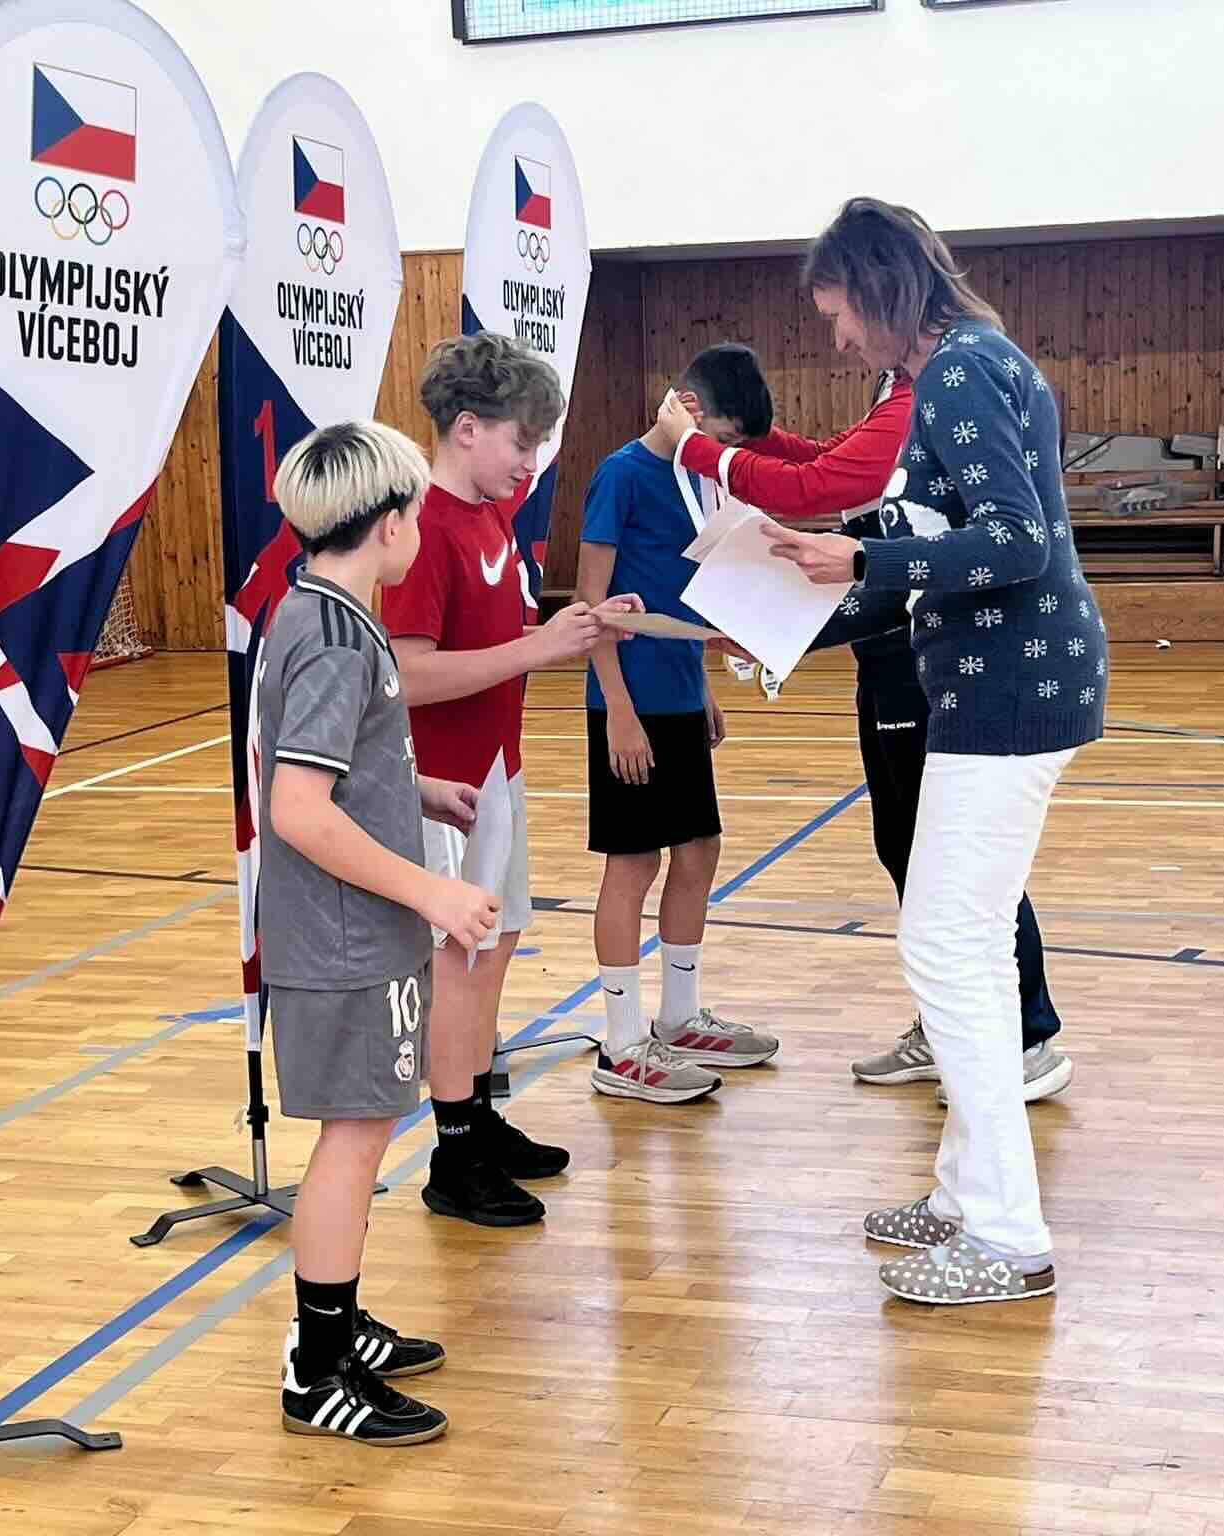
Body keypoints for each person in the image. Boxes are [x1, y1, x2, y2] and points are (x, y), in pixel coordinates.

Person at [766, 198, 1107, 1306]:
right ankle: (966, 1196)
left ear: (880, 289)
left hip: (1011, 683)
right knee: (965, 944)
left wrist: (858, 564)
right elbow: (934, 545)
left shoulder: (958, 372)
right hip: (1004, 677)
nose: (837, 339)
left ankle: (1006, 1236)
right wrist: (799, 603)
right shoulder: (968, 364)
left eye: (839, 314)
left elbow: (1013, 543)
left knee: (946, 945)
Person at [647, 343, 1072, 1106]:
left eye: (841, 312)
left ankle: (1025, 1033)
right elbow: (827, 459)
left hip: (926, 653)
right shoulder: (896, 388)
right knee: (905, 846)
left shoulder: (934, 391)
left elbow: (818, 486)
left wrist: (698, 450)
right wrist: (751, 438)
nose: (837, 336)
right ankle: (952, 1022)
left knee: (951, 858)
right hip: (891, 647)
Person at [258, 420, 500, 1444]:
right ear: (392, 523)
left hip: (358, 932)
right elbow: (298, 809)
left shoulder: (326, 612)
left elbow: (336, 770)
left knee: (362, 1134)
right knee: (352, 1140)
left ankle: (338, 1322)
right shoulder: (330, 635)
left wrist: (415, 787)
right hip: (343, 941)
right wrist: (433, 893)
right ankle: (316, 1370)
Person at [382, 332, 639, 1228]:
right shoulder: (422, 529)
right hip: (445, 782)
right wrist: (539, 648)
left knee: (494, 950)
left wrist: (580, 627)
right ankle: (453, 1156)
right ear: (466, 429)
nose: (530, 463)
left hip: (499, 766)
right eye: (521, 442)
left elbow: (500, 639)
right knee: (459, 962)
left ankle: (477, 1117)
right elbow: (407, 673)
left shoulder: (491, 514)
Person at [578, 343, 783, 1104]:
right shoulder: (621, 475)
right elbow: (592, 605)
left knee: (698, 850)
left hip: (678, 697)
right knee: (634, 863)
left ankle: (680, 1016)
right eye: (723, 439)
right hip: (628, 705)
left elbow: (682, 599)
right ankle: (621, 1044)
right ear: (690, 410)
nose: (724, 455)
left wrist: (701, 690)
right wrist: (619, 711)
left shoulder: (699, 482)